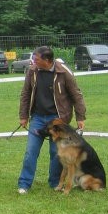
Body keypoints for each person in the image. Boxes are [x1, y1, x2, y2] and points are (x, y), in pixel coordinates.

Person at [17, 46, 86, 194]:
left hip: (58, 121)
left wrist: (80, 117)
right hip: (37, 118)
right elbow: (25, 93)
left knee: (56, 154)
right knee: (30, 152)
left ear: (47, 60)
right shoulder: (32, 71)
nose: (33, 61)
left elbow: (77, 95)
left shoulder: (64, 72)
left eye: (36, 59)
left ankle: (55, 183)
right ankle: (24, 184)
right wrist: (23, 116)